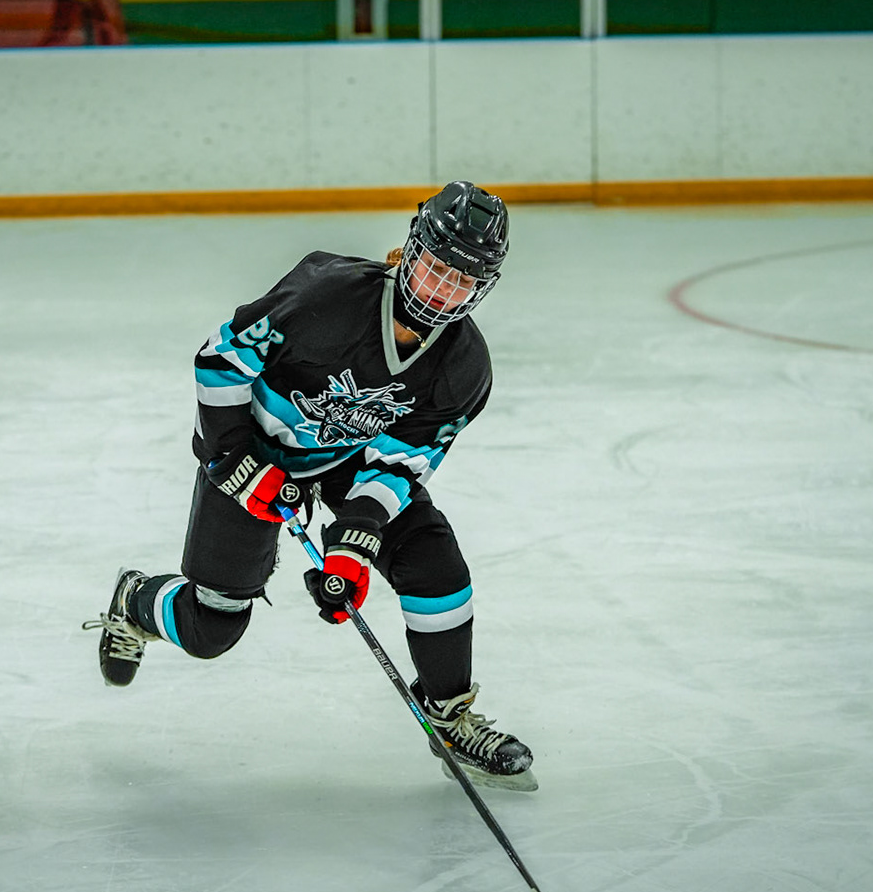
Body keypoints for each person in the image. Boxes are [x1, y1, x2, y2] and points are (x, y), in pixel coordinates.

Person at [85, 182, 536, 791]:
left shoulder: (463, 368)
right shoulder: (326, 296)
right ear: (410, 249)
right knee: (211, 628)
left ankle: (448, 715)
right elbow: (219, 361)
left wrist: (354, 542)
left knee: (437, 568)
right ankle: (137, 600)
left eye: (462, 281)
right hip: (252, 445)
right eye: (435, 267)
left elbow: (401, 464)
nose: (440, 290)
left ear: (483, 288)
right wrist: (237, 460)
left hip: (345, 458)